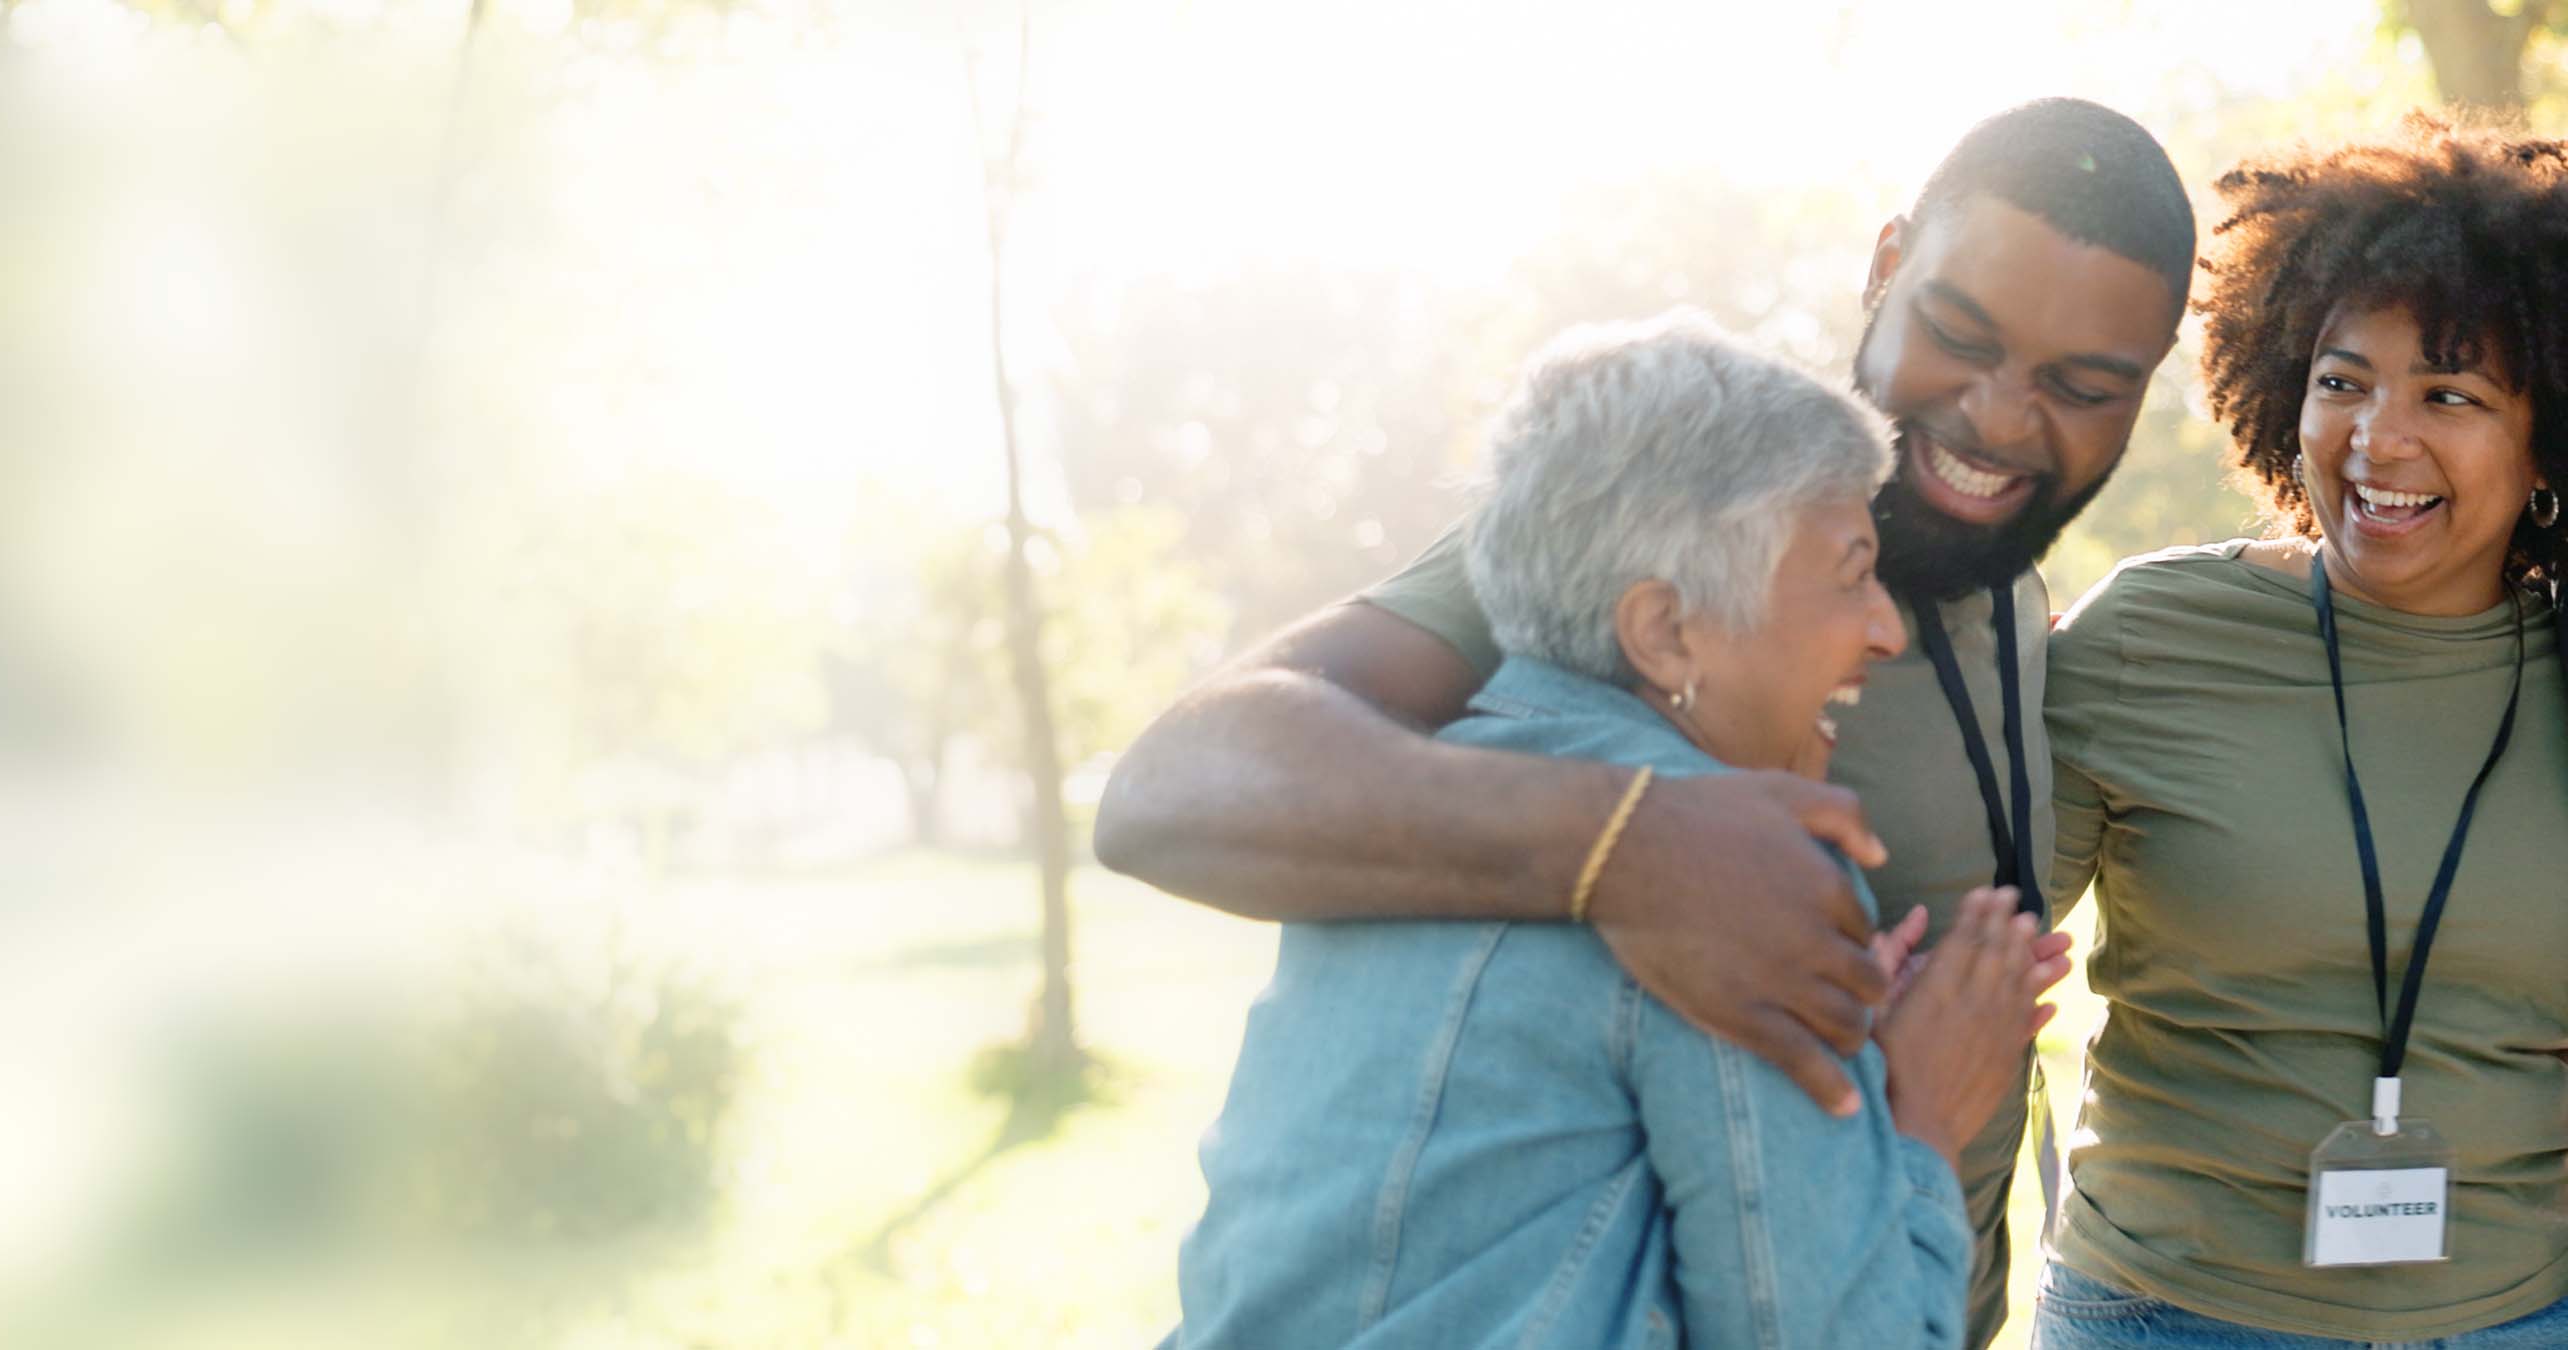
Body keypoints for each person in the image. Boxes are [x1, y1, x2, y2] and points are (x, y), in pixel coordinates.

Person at [1099, 97, 2194, 1346]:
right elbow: (1171, 786)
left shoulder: (2017, 599)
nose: (1999, 420)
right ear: (1884, 267)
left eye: (2082, 385)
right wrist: (1636, 843)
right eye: (1957, 332)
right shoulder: (1674, 520)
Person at [1170, 317, 2069, 1350]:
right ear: (1663, 630)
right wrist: (1917, 1117)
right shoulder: (1736, 872)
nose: (1886, 627)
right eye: (1849, 570)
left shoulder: (1391, 821)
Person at [2035, 119, 2568, 1347]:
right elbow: (1960, 931)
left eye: (2451, 392)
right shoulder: (2147, 635)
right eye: (2342, 381)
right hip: (2166, 1315)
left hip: (2520, 1316)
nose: (2378, 439)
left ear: (2543, 436)